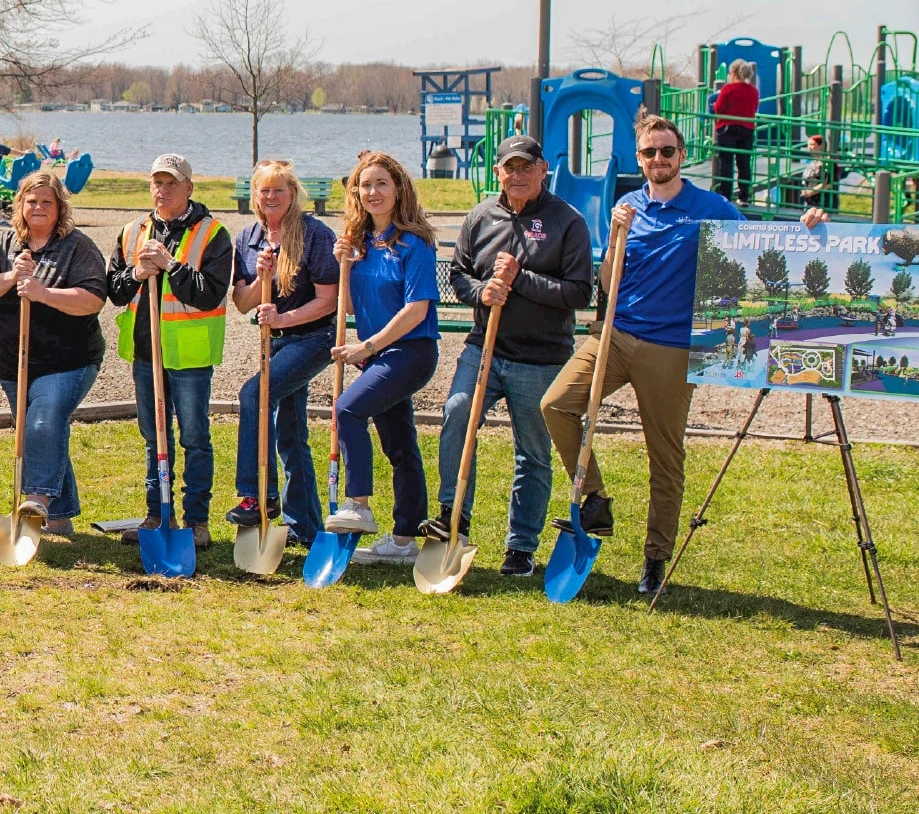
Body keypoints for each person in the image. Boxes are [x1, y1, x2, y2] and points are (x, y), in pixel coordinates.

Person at [541, 114, 828, 594]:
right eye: (649, 153)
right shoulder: (627, 206)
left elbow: (762, 246)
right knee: (556, 404)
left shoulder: (710, 207)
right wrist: (615, 238)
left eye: (666, 151)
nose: (658, 160)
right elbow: (608, 283)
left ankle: (655, 559)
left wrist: (806, 226)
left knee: (665, 456)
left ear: (682, 155)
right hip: (615, 335)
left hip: (672, 348)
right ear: (639, 159)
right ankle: (594, 499)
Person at [428, 134, 592, 578]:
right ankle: (453, 515)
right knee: (457, 414)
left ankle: (520, 546)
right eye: (509, 167)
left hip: (540, 358)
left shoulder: (567, 222)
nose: (517, 175)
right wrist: (484, 291)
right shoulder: (481, 216)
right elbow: (460, 275)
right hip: (485, 348)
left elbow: (579, 292)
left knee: (533, 453)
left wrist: (521, 281)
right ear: (497, 172)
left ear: (543, 170)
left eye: (526, 167)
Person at [103, 153, 233, 546]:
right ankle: (157, 514)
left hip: (189, 354)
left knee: (193, 437)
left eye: (172, 183)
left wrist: (171, 266)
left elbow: (209, 295)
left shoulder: (213, 234)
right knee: (153, 437)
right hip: (146, 352)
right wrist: (138, 273)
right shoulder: (132, 231)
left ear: (189, 188)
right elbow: (113, 290)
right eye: (158, 183)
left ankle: (196, 521)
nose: (163, 190)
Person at [0, 171, 108, 537]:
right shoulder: (6, 244)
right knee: (39, 434)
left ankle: (35, 503)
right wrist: (10, 279)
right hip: (15, 362)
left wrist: (42, 293)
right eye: (32, 201)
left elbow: (93, 299)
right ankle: (60, 518)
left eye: (47, 201)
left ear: (60, 207)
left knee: (43, 423)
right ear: (21, 205)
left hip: (69, 360)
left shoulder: (78, 247)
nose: (39, 207)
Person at [324, 150, 442, 565]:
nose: (372, 192)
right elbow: (352, 309)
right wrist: (344, 266)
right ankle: (406, 541)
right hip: (378, 355)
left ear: (397, 190)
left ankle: (358, 505)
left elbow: (417, 311)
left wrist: (367, 347)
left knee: (348, 409)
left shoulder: (415, 243)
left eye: (381, 184)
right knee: (400, 444)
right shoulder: (359, 244)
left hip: (409, 352)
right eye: (365, 185)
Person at [226, 160, 340, 538]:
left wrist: (282, 320)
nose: (271, 197)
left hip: (312, 340)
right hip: (275, 345)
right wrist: (264, 280)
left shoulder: (314, 235)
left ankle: (258, 495)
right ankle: (306, 527)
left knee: (253, 394)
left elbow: (329, 300)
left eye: (279, 190)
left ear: (293, 194)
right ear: (255, 195)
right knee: (290, 432)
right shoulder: (248, 239)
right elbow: (243, 302)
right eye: (264, 190)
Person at [710, 59, 759, 204]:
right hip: (747, 129)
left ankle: (725, 196)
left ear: (734, 73)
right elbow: (754, 108)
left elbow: (718, 108)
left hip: (727, 129)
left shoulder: (728, 89)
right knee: (744, 163)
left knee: (726, 163)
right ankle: (744, 196)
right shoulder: (753, 90)